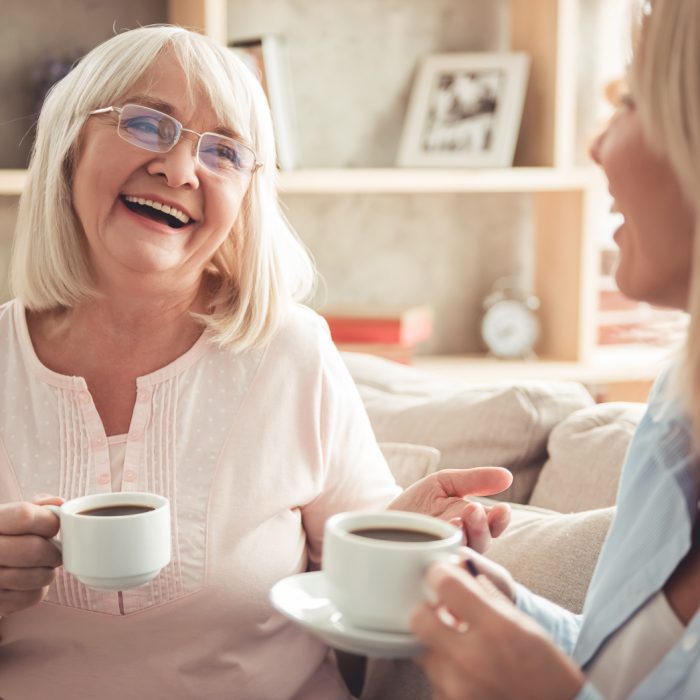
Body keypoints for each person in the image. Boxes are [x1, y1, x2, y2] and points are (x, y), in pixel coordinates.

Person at [0, 25, 513, 700]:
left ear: (245, 202)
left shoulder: (292, 352)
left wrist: (409, 530)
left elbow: (361, 583)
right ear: (70, 143)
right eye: (149, 125)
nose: (181, 171)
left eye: (223, 152)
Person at [411, 1, 700, 697]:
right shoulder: (678, 414)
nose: (597, 146)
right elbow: (629, 673)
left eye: (630, 101)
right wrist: (495, 609)